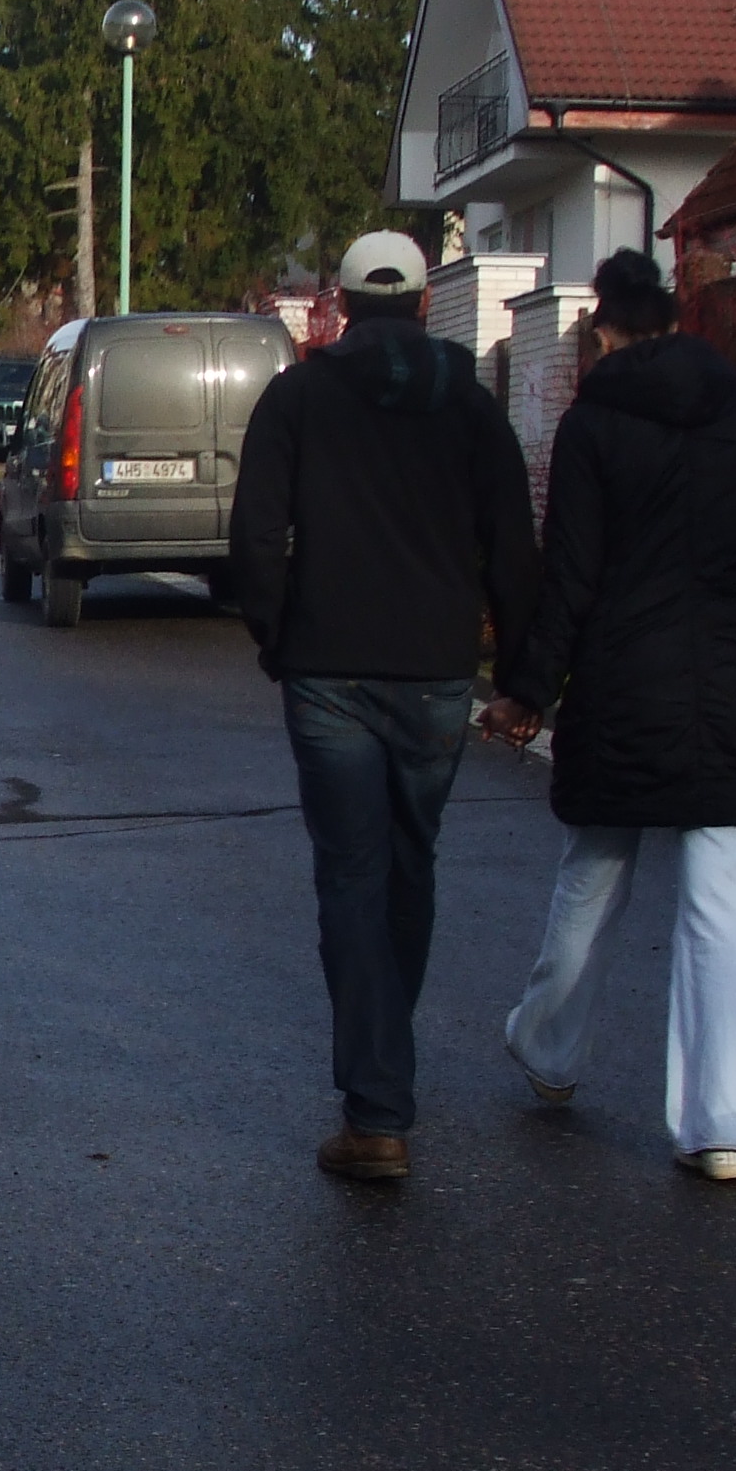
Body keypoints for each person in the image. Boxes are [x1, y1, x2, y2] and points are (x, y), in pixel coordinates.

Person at [482, 248, 736, 1183]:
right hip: (732, 683)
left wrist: (529, 688)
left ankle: (549, 1048)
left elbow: (573, 574)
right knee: (723, 905)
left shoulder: (593, 427)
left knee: (595, 872)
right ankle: (722, 1125)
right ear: (677, 321)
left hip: (622, 681)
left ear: (604, 328)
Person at [229, 232, 539, 1182]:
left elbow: (254, 536)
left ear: (346, 306)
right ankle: (385, 1076)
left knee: (351, 875)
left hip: (330, 673)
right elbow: (514, 550)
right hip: (438, 675)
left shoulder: (299, 398)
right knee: (410, 864)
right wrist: (524, 678)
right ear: (424, 308)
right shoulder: (474, 411)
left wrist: (278, 638)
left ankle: (377, 1109)